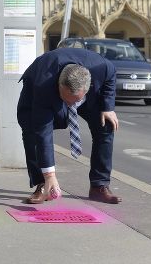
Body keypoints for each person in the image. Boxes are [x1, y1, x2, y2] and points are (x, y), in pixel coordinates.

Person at [17, 47, 121, 204]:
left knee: (106, 125)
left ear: (88, 88)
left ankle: (99, 186)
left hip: (87, 98)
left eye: (74, 100)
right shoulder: (43, 84)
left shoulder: (101, 67)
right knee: (32, 130)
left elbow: (111, 75)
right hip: (42, 90)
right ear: (59, 85)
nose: (70, 104)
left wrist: (108, 107)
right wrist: (49, 176)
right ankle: (42, 185)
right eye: (66, 99)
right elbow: (43, 132)